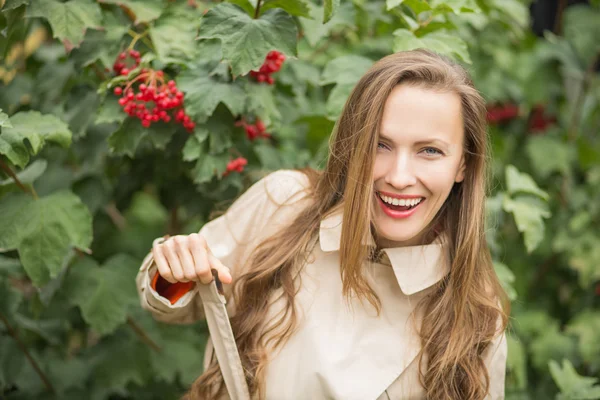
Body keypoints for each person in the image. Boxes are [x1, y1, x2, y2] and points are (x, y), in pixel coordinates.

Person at [136, 49, 510, 400]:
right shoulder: (285, 205)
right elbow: (175, 301)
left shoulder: (477, 319)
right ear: (353, 146)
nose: (399, 176)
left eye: (430, 151)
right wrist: (175, 269)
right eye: (379, 145)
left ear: (464, 164)